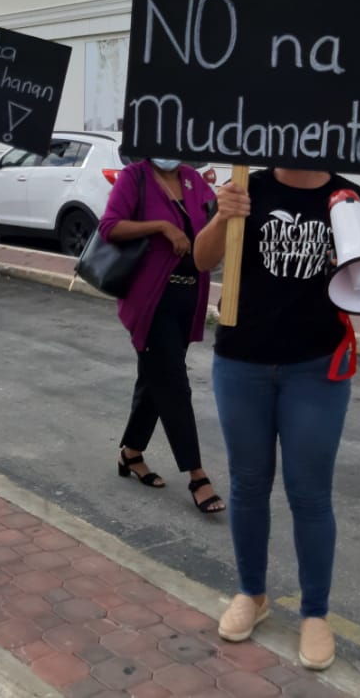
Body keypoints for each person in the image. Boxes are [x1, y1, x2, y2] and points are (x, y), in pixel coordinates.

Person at [194, 167, 360, 672]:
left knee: (310, 493)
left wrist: (351, 257)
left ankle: (315, 612)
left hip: (316, 369)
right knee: (249, 484)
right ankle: (251, 593)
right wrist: (221, 218)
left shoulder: (351, 197)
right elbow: (203, 260)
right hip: (241, 363)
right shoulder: (245, 187)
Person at [98, 157, 225, 514]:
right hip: (151, 299)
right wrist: (160, 227)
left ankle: (131, 453)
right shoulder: (135, 177)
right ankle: (197, 475)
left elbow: (214, 223)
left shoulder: (192, 180)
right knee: (172, 382)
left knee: (154, 377)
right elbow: (109, 227)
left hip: (188, 298)